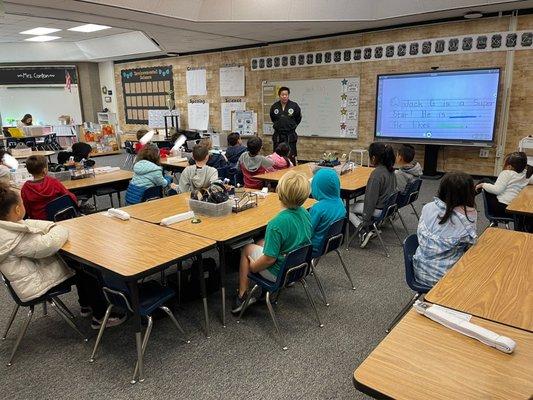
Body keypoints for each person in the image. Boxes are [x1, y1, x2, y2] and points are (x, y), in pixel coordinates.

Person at [0, 183, 125, 329]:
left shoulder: (7, 228)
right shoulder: (14, 238)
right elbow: (48, 244)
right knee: (87, 271)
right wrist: (59, 228)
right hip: (34, 283)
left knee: (77, 266)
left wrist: (51, 226)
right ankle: (101, 316)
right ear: (17, 209)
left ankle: (85, 305)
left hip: (28, 275)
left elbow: (30, 223)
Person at [232, 171, 312, 313]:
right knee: (262, 241)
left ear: (279, 192)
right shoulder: (305, 213)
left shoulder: (276, 223)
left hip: (278, 272)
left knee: (247, 249)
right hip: (297, 266)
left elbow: (269, 259)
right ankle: (263, 292)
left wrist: (255, 267)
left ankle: (242, 295)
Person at [413, 172, 477, 287]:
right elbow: (470, 246)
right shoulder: (469, 216)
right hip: (446, 279)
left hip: (419, 270)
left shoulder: (428, 207)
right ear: (469, 193)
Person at [348, 142, 397, 248]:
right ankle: (370, 227)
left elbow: (370, 200)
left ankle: (363, 231)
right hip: (387, 208)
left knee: (347, 209)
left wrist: (365, 220)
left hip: (379, 209)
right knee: (358, 203)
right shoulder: (391, 170)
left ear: (374, 158)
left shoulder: (376, 175)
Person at [21, 155, 78, 220]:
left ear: (28, 171)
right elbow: (70, 197)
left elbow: (26, 208)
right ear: (45, 170)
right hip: (58, 218)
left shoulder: (26, 188)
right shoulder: (53, 182)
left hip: (39, 222)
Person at [475, 152, 530, 218]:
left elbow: (497, 190)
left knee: (485, 181)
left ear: (509, 166)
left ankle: (465, 199)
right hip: (516, 209)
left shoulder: (506, 173)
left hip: (502, 209)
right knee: (487, 182)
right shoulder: (526, 174)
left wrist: (483, 185)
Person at [309, 168, 346, 258]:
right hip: (333, 242)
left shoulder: (318, 209)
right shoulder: (340, 202)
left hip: (316, 247)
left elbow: (308, 231)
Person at [269, 86, 301, 164]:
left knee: (291, 156)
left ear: (288, 95)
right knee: (277, 157)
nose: (284, 96)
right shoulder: (274, 106)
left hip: (290, 135)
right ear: (279, 95)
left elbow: (298, 118)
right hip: (278, 135)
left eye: (286, 94)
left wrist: (291, 125)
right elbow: (273, 118)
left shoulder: (294, 105)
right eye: (282, 95)